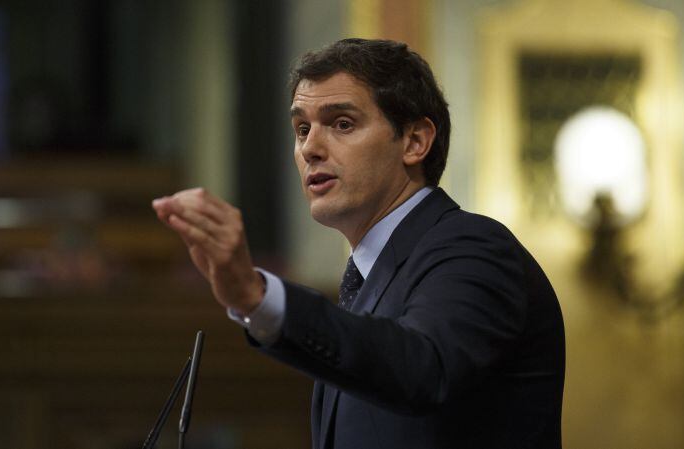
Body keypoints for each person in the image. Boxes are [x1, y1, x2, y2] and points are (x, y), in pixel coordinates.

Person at [152, 38, 565, 449]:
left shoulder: (473, 248)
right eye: (301, 129)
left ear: (415, 141)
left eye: (342, 123)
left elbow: (422, 368)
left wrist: (255, 296)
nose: (310, 148)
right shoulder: (366, 284)